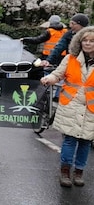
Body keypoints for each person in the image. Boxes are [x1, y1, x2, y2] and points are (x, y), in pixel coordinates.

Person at [40, 26, 94, 187]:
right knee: (70, 140)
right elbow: (58, 74)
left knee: (85, 141)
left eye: (92, 41)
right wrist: (49, 78)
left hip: (90, 108)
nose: (88, 43)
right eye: (85, 40)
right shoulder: (71, 58)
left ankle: (79, 172)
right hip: (71, 105)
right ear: (79, 41)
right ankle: (65, 172)